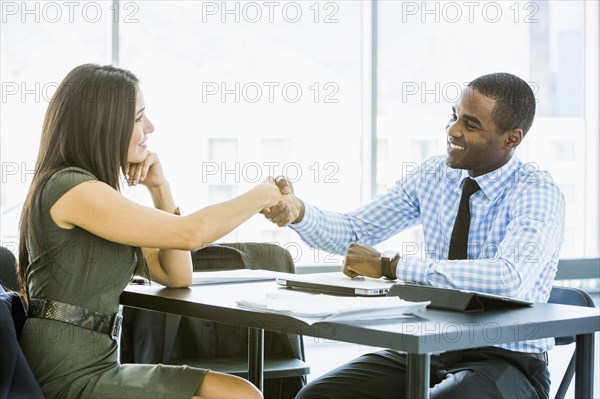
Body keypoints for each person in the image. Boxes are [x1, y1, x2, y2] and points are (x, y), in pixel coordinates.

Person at [263, 72, 564, 399]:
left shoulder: (536, 192)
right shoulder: (435, 176)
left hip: (506, 359)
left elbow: (508, 278)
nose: (453, 130)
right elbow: (355, 231)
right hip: (430, 348)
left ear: (512, 139)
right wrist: (299, 211)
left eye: (471, 124)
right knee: (318, 396)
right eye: (453, 116)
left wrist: (391, 266)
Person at [17, 63, 293, 399]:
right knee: (240, 395)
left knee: (241, 391)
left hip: (99, 366)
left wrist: (160, 188)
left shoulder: (92, 192)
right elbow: (192, 233)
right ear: (103, 124)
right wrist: (264, 193)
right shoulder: (72, 188)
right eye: (138, 118)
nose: (150, 127)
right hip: (66, 377)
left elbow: (176, 275)